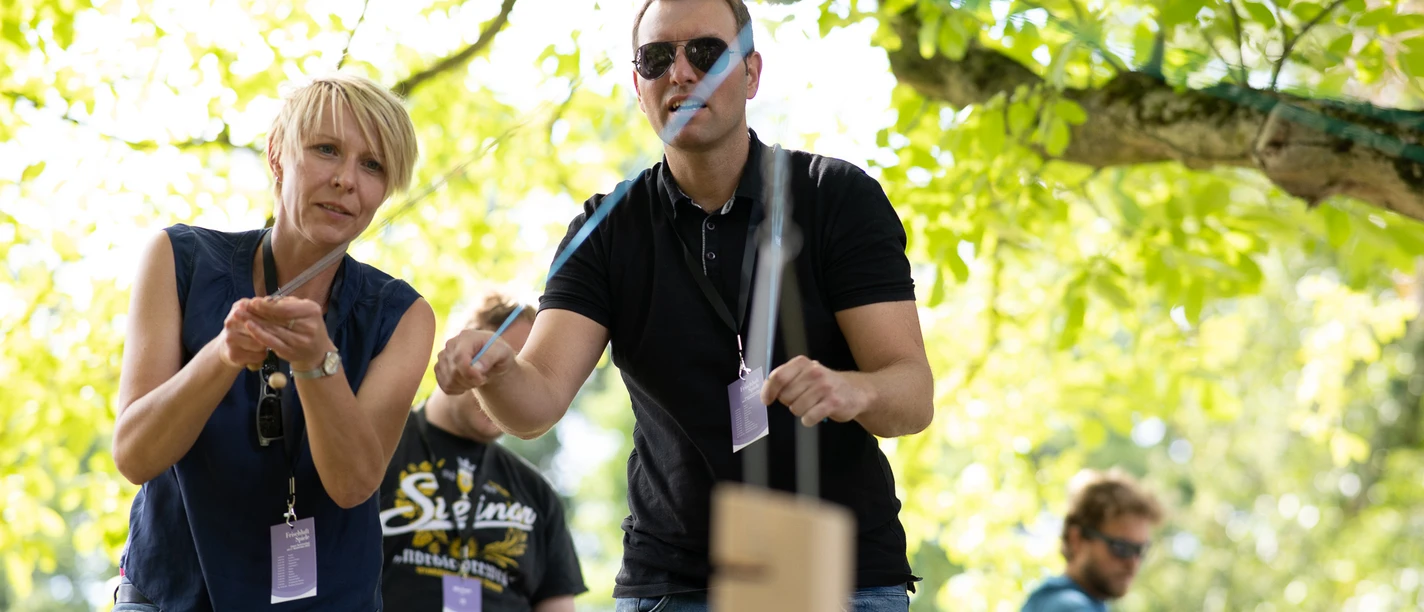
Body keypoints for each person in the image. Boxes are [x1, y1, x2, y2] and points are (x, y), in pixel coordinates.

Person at [434, 0, 935, 610]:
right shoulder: (605, 227)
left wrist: (853, 391)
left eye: (706, 53)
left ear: (751, 74)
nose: (681, 73)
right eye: (656, 58)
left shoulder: (837, 196)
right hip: (673, 586)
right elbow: (534, 405)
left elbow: (910, 396)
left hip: (838, 577)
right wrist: (496, 368)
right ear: (637, 84)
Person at [111, 73, 435, 611]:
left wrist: (317, 361)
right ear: (278, 155)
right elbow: (135, 456)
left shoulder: (403, 316)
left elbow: (354, 484)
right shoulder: (178, 258)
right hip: (172, 595)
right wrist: (223, 353)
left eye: (372, 165)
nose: (347, 180)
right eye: (327, 150)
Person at [379, 291, 587, 612]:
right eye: (496, 358)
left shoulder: (537, 493)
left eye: (521, 370)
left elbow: (557, 603)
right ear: (457, 347)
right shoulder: (378, 446)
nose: (503, 379)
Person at [1021, 469, 1164, 612]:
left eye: (1140, 550)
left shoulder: (1049, 601)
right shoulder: (1067, 606)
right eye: (1121, 547)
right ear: (1076, 539)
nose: (1133, 563)